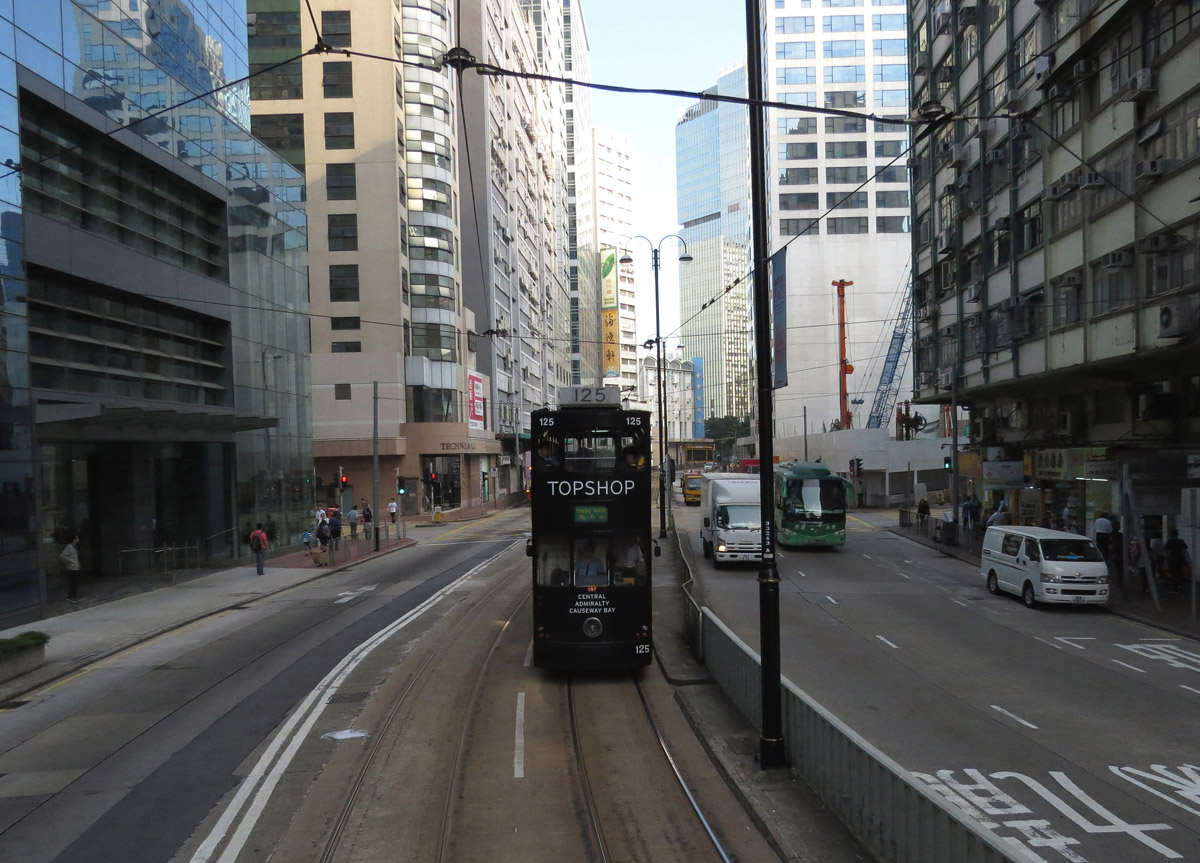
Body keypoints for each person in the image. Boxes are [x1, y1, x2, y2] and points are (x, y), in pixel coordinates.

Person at [1164, 528, 1190, 593]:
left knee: (1173, 574)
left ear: (1170, 534)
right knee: (1179, 573)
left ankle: (1175, 588)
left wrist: (1166, 561)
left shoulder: (1169, 541)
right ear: (1177, 534)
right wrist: (1187, 559)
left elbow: (1167, 553)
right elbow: (1185, 551)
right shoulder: (1181, 541)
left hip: (1172, 560)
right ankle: (1180, 586)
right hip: (1180, 559)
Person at [60, 534, 81, 602]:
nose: (78, 539)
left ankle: (74, 595)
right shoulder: (69, 547)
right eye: (77, 538)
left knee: (75, 582)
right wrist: (71, 561)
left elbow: (74, 556)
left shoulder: (74, 546)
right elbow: (63, 555)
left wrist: (77, 563)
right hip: (71, 568)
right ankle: (70, 597)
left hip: (75, 567)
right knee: (73, 582)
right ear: (74, 539)